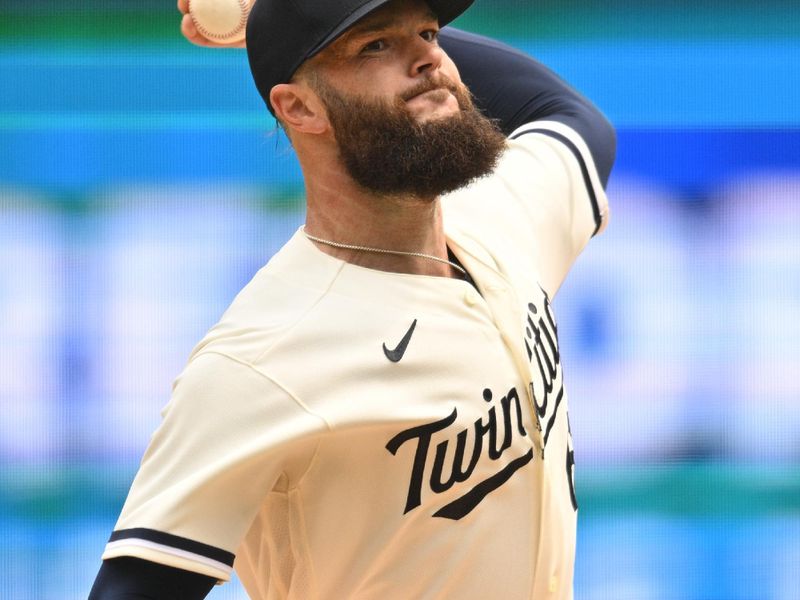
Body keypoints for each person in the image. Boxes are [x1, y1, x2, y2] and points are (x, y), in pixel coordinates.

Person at [89, 0, 614, 597]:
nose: (428, 59)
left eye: (427, 32)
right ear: (298, 106)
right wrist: (279, 37)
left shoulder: (498, 223)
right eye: (375, 46)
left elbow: (566, 115)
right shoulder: (260, 362)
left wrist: (265, 21)